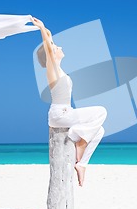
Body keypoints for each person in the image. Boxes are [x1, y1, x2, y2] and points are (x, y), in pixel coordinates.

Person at [31, 16, 107, 187]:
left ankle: (81, 164)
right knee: (102, 111)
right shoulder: (52, 72)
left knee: (100, 130)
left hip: (66, 112)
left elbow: (49, 43)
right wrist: (42, 28)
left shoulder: (59, 70)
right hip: (59, 114)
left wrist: (47, 32)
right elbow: (48, 49)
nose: (60, 47)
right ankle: (78, 139)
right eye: (56, 47)